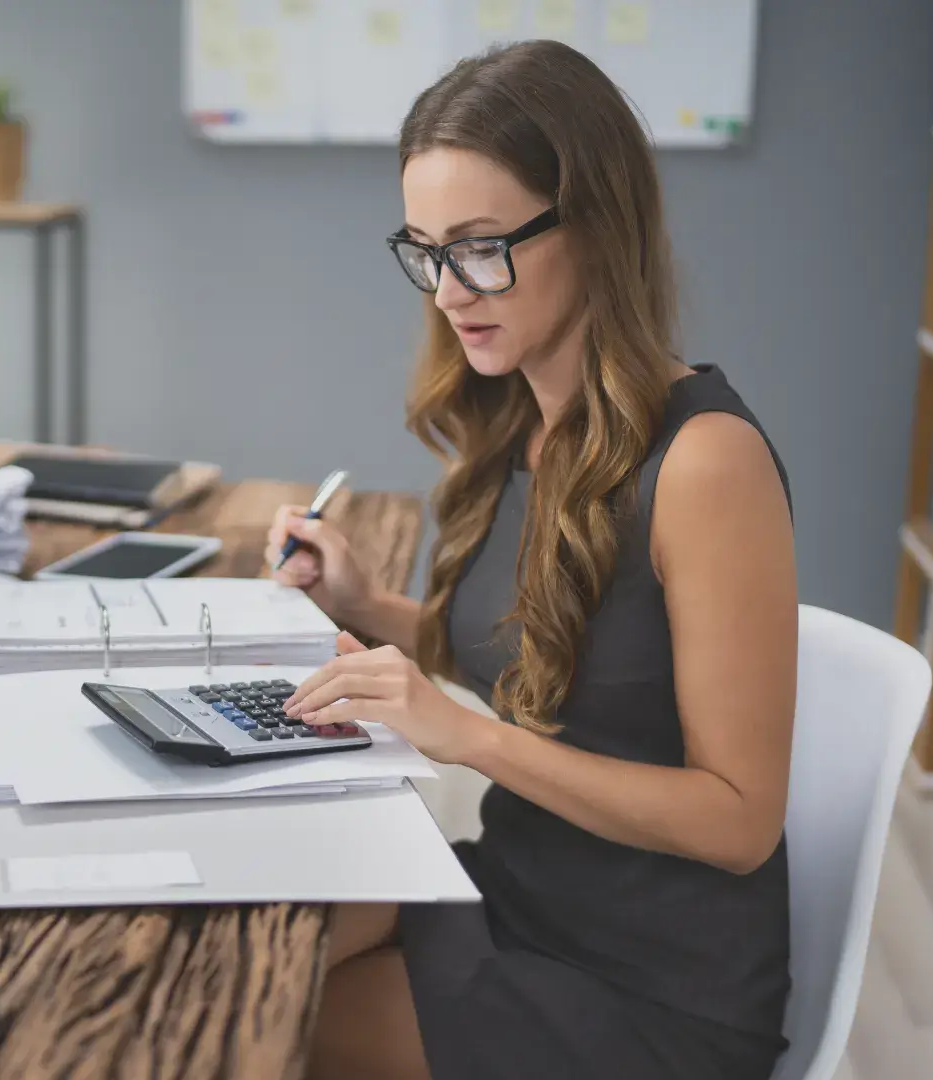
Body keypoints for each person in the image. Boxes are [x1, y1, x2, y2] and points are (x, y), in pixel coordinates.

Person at [265, 39, 797, 1080]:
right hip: (521, 889)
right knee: (246, 949)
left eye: (481, 246)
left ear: (595, 223)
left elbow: (740, 820)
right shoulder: (524, 424)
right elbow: (561, 666)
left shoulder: (705, 462)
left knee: (260, 1032)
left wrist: (468, 739)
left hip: (651, 989)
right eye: (425, 252)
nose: (451, 292)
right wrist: (369, 604)